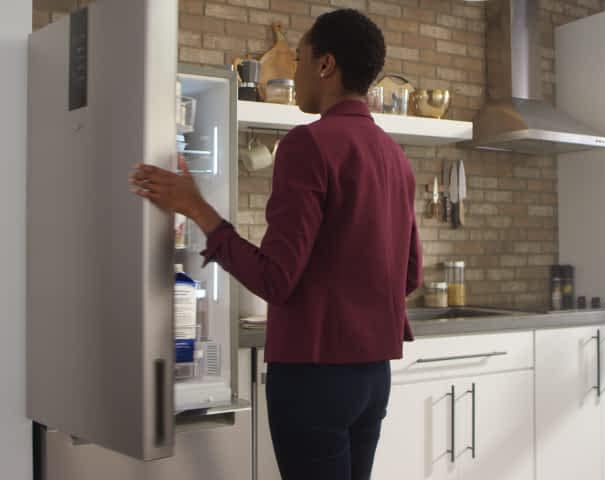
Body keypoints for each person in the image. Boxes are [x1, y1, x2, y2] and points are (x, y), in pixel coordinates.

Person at [130, 8, 421, 480]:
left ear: (325, 65)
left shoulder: (308, 144)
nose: (295, 72)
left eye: (300, 59)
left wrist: (196, 207)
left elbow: (275, 279)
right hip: (373, 378)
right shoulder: (396, 157)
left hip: (313, 376)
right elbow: (408, 274)